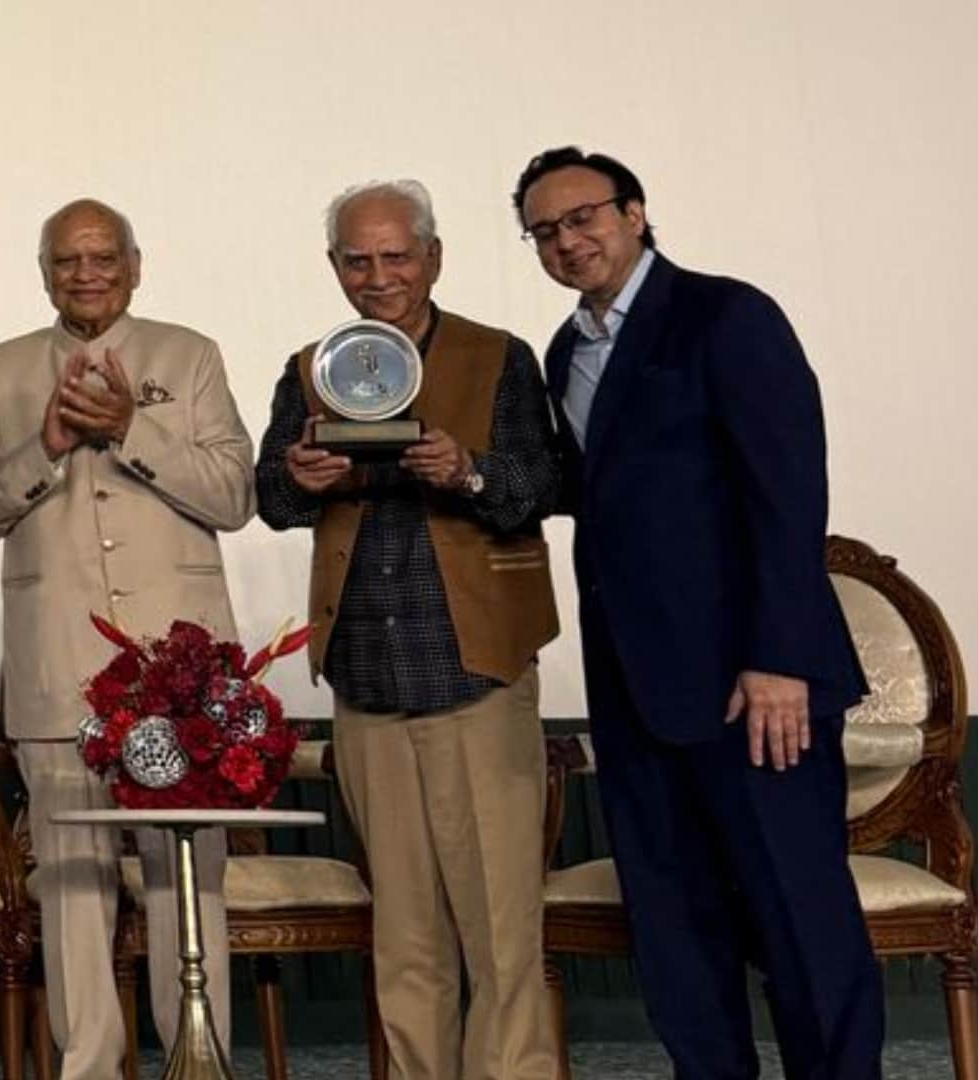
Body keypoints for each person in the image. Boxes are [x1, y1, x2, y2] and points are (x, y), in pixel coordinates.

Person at [514, 146, 880, 1076]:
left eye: (584, 216)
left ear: (635, 214)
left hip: (754, 690)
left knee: (800, 925)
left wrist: (780, 658)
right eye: (546, 230)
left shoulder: (727, 315)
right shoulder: (566, 352)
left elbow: (787, 493)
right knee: (676, 935)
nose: (568, 240)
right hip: (637, 695)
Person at [0, 198, 254, 1078]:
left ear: (136, 264)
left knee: (187, 882)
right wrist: (41, 447)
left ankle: (200, 1058)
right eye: (67, 261)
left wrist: (128, 428)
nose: (86, 274)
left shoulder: (189, 356)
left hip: (181, 673)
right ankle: (88, 1065)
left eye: (103, 258)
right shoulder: (1, 371)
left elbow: (234, 494)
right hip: (59, 669)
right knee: (72, 887)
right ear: (44, 273)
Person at [255, 180, 559, 1078]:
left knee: (502, 933)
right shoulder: (310, 364)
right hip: (366, 674)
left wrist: (467, 472)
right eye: (359, 259)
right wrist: (301, 479)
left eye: (396, 256)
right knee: (405, 933)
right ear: (336, 269)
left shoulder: (500, 357)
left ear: (432, 257)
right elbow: (270, 499)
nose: (378, 276)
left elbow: (541, 485)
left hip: (477, 670)